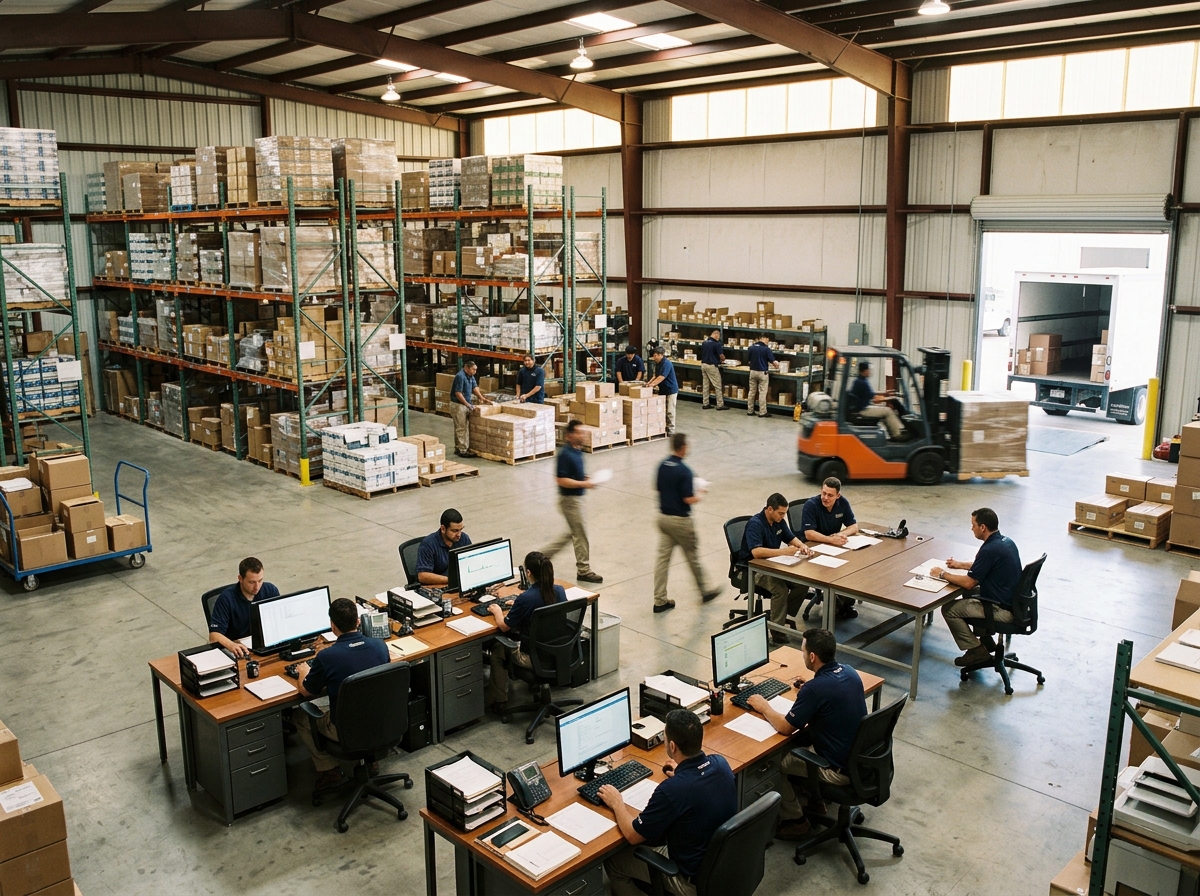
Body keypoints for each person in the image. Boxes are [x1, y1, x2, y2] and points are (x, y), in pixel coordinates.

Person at [600, 708, 737, 896]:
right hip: (722, 867)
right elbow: (699, 781)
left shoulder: (671, 790)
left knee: (614, 862)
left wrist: (617, 803)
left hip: (690, 881)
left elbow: (633, 836)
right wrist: (682, 772)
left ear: (672, 746)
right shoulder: (720, 764)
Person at [746, 628, 866, 841]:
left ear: (812, 656)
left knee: (779, 762)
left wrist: (764, 707)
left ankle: (796, 821)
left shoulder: (816, 689)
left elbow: (785, 727)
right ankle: (815, 800)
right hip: (858, 761)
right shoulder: (849, 672)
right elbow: (829, 698)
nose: (801, 655)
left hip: (837, 770)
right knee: (802, 741)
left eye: (802, 651)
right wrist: (809, 690)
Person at [294, 597, 390, 790]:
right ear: (358, 621)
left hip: (346, 731)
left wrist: (302, 673)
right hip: (383, 723)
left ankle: (330, 770)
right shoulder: (380, 646)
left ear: (332, 626)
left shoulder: (327, 656)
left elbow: (306, 691)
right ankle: (371, 760)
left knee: (300, 716)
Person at [932, 507, 1022, 667]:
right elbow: (986, 566)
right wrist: (960, 564)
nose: (971, 528)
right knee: (969, 594)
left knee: (949, 610)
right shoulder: (1005, 542)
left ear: (982, 527)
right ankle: (986, 639)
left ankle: (976, 650)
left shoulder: (988, 550)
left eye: (973, 524)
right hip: (1013, 602)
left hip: (1002, 610)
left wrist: (942, 574)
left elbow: (969, 582)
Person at [485, 552, 567, 712]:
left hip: (532, 658)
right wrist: (519, 604)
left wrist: (497, 611)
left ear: (528, 573)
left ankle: (500, 703)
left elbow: (504, 627)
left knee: (497, 651)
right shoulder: (559, 590)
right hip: (559, 653)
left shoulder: (527, 598)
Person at [653, 433, 721, 613]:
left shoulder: (662, 465)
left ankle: (659, 600)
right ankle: (705, 590)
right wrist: (701, 493)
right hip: (680, 522)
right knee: (692, 556)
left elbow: (657, 488)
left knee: (662, 560)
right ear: (683, 447)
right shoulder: (684, 471)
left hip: (663, 519)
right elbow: (688, 499)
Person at [740, 493, 814, 643]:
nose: (783, 516)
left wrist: (802, 546)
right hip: (754, 569)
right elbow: (756, 552)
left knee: (803, 582)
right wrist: (784, 551)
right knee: (780, 589)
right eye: (780, 513)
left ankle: (779, 615)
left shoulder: (779, 521)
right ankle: (777, 630)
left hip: (774, 565)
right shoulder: (756, 524)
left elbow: (790, 537)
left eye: (784, 513)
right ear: (769, 509)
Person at [542, 420, 603, 584]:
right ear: (569, 436)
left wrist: (585, 478)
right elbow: (561, 480)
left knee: (572, 533)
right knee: (580, 534)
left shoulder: (578, 451)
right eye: (579, 432)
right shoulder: (565, 454)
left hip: (577, 499)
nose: (583, 435)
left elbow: (573, 475)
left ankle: (541, 557)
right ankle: (584, 570)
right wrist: (584, 484)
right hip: (570, 501)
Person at [800, 477, 860, 619]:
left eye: (830, 495)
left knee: (850, 567)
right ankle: (835, 610)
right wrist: (831, 540)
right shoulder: (811, 505)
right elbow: (808, 534)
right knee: (834, 574)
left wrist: (841, 534)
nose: (825, 498)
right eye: (824, 493)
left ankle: (846, 605)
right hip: (813, 548)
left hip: (832, 547)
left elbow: (854, 526)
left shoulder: (842, 503)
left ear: (838, 496)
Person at [208, 557, 281, 658]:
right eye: (251, 582)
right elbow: (214, 636)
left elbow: (278, 622)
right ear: (240, 579)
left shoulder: (270, 591)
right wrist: (232, 645)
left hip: (264, 647)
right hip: (239, 652)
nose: (257, 587)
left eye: (260, 580)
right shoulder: (226, 599)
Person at [846, 360, 906, 440]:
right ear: (864, 371)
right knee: (887, 411)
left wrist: (884, 393)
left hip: (862, 408)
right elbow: (873, 398)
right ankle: (898, 434)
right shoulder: (861, 382)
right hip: (862, 410)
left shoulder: (860, 380)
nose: (870, 372)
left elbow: (870, 393)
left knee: (884, 412)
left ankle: (893, 434)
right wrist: (890, 399)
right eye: (869, 370)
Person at [416, 508, 472, 587]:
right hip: (438, 587)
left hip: (460, 584)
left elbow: (471, 563)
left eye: (460, 530)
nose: (459, 534)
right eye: (455, 531)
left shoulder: (464, 539)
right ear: (443, 529)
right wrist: (452, 580)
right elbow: (422, 576)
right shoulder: (428, 544)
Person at [450, 359, 492, 457]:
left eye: (475, 370)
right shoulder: (460, 376)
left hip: (465, 404)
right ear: (466, 368)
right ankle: (462, 450)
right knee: (461, 427)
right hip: (458, 405)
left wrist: (482, 398)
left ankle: (459, 447)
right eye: (473, 369)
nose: (474, 372)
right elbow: (458, 393)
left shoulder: (470, 376)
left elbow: (474, 388)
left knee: (463, 427)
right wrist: (467, 405)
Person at [647, 347, 679, 435]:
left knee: (670, 411)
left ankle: (671, 430)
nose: (654, 358)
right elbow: (655, 375)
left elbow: (662, 377)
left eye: (656, 356)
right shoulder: (657, 363)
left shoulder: (667, 363)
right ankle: (663, 428)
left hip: (670, 390)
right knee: (662, 410)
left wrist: (652, 385)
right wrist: (648, 383)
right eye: (654, 356)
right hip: (663, 389)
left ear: (661, 355)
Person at [746, 334, 777, 417]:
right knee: (762, 393)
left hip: (752, 372)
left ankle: (750, 410)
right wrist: (777, 365)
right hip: (762, 373)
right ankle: (762, 412)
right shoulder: (766, 349)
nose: (768, 342)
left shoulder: (751, 348)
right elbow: (773, 362)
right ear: (764, 339)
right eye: (768, 340)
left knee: (751, 392)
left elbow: (749, 361)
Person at [699, 330, 727, 410]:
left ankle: (705, 403)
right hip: (712, 366)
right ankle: (720, 404)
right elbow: (721, 356)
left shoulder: (705, 343)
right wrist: (723, 360)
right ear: (716, 335)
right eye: (719, 336)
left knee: (705, 385)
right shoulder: (716, 344)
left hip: (703, 365)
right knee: (717, 385)